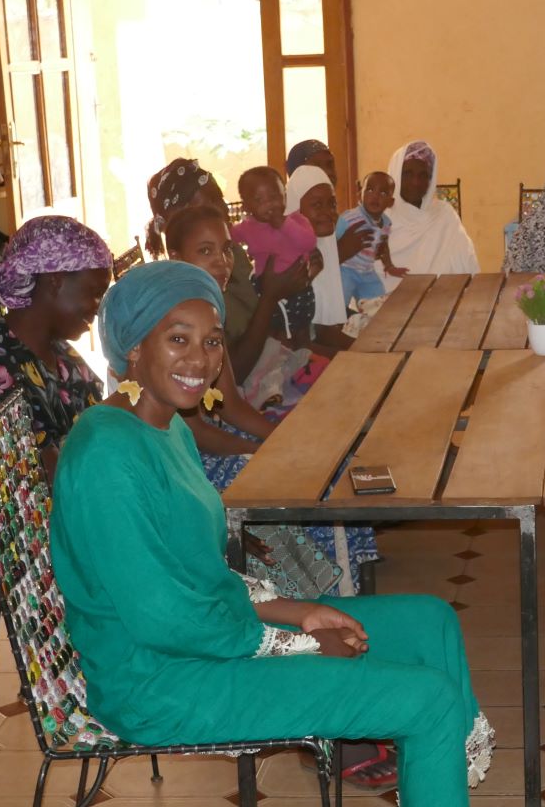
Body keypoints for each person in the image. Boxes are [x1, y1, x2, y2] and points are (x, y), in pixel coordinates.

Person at [50, 261, 493, 804]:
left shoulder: (167, 428)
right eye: (178, 339)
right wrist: (298, 644)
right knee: (430, 701)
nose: (200, 359)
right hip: (160, 683)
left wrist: (295, 611)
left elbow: (201, 576)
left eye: (212, 341)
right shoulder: (105, 456)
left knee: (431, 622)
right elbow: (164, 617)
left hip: (201, 641)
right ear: (133, 347)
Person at [165, 205, 377, 600]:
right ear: (175, 258)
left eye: (227, 250)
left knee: (327, 460)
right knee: (292, 476)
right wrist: (255, 450)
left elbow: (229, 405)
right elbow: (190, 428)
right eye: (206, 251)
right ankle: (320, 598)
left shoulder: (209, 309)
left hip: (215, 436)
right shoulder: (167, 318)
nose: (222, 262)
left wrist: (283, 437)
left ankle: (349, 592)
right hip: (184, 459)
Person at [0, 214, 113, 573]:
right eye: (94, 292)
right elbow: (33, 484)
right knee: (139, 538)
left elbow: (99, 424)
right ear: (55, 282)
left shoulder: (57, 352)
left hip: (60, 500)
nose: (97, 306)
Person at [146, 159, 310, 382]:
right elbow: (234, 373)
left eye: (220, 198)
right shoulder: (185, 297)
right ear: (182, 218)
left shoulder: (231, 254)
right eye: (212, 202)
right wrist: (271, 296)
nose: (223, 208)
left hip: (269, 365)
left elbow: (261, 321)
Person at [232, 166, 319, 341]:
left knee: (302, 327)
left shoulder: (296, 220)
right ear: (247, 206)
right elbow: (228, 238)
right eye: (259, 200)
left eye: (274, 197)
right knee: (273, 332)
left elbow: (309, 242)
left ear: (284, 196)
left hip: (299, 287)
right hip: (264, 289)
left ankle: (304, 355)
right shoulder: (247, 228)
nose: (269, 204)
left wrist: (284, 224)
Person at [384, 140, 479, 285]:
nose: (416, 182)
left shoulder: (444, 214)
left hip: (441, 301)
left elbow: (467, 268)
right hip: (386, 305)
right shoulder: (379, 220)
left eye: (424, 175)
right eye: (408, 174)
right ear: (395, 174)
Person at [285, 165, 354, 345]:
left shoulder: (322, 248)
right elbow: (298, 345)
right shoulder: (287, 262)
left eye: (332, 203)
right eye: (317, 205)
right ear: (295, 211)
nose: (328, 212)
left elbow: (324, 329)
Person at [338, 171, 409, 302]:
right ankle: (339, 321)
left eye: (383, 193)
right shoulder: (349, 217)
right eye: (370, 190)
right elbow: (331, 240)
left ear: (390, 202)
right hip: (345, 270)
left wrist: (389, 266)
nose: (375, 196)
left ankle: (366, 321)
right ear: (360, 194)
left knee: (377, 303)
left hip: (367, 272)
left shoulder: (386, 223)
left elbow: (383, 245)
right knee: (338, 305)